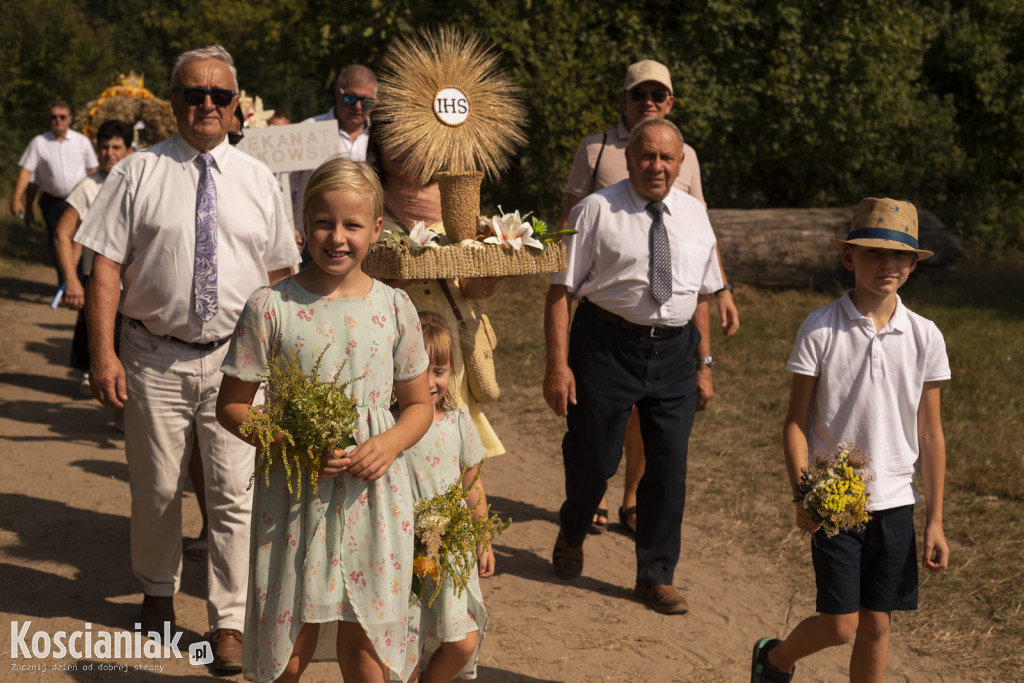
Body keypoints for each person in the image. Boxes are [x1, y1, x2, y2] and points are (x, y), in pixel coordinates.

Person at [75, 44, 299, 673]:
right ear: (173, 101)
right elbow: (105, 270)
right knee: (156, 488)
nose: (206, 104)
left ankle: (228, 622)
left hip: (239, 362)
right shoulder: (135, 174)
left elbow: (281, 276)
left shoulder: (260, 182)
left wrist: (283, 367)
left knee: (235, 494)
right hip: (152, 356)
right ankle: (156, 596)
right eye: (194, 93)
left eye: (219, 95)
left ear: (235, 107)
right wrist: (103, 354)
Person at [216, 156, 433, 683]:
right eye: (323, 222)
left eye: (353, 225)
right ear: (303, 223)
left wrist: (389, 443)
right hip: (294, 497)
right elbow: (231, 405)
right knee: (286, 649)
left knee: (366, 649)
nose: (337, 237)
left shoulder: (396, 307)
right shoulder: (271, 306)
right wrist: (290, 444)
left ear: (377, 229)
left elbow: (420, 404)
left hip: (374, 496)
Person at [751, 198, 950, 682]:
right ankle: (774, 659)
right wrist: (804, 493)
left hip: (896, 502)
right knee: (842, 625)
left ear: (912, 264)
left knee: (877, 625)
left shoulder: (925, 336)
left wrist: (936, 520)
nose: (888, 264)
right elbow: (796, 422)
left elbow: (930, 432)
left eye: (900, 256)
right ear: (848, 258)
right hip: (837, 499)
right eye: (873, 253)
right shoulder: (820, 329)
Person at [544, 118, 723, 614]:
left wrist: (704, 365)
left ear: (681, 164)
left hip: (675, 355)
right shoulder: (594, 210)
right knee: (596, 459)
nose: (656, 165)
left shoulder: (694, 215)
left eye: (667, 157)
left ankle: (655, 575)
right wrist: (558, 366)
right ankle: (573, 528)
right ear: (628, 158)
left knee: (669, 469)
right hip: (605, 346)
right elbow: (559, 292)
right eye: (647, 155)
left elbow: (701, 295)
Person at [560, 59, 738, 534]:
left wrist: (720, 289)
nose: (648, 102)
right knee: (598, 442)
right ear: (623, 99)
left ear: (671, 102)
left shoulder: (686, 155)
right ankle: (587, 500)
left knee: (662, 446)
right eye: (640, 94)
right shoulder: (596, 151)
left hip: (670, 333)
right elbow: (570, 219)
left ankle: (638, 515)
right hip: (607, 314)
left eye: (658, 95)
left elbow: (697, 233)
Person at [367, 125, 506, 459]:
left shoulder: (456, 195)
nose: (401, 148)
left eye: (410, 139)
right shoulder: (366, 198)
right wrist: (396, 281)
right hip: (389, 337)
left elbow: (470, 288)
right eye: (392, 140)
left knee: (456, 451)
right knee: (397, 445)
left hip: (449, 342)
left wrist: (489, 275)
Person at [403, 310, 492, 682]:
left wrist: (483, 538)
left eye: (438, 371)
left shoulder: (458, 422)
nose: (430, 381)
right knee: (404, 644)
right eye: (419, 371)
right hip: (402, 551)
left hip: (450, 549)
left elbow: (472, 485)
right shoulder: (388, 425)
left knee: (462, 641)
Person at [52, 119, 133, 410]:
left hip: (139, 286)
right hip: (103, 285)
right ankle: (118, 414)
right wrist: (71, 279)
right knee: (109, 353)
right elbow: (63, 233)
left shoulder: (142, 181)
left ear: (130, 150)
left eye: (116, 147)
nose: (109, 153)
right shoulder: (88, 187)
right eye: (104, 148)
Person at [11, 99, 99, 283]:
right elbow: (27, 172)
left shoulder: (82, 141)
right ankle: (66, 282)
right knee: (59, 240)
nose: (58, 120)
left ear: (69, 119)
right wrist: (17, 199)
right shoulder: (39, 143)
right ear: (48, 119)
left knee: (82, 241)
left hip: (80, 201)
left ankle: (82, 283)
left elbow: (93, 171)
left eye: (62, 116)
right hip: (52, 202)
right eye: (53, 117)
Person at [291, 65, 378, 231]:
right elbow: (284, 188)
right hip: (310, 241)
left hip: (365, 243)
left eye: (366, 101)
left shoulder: (380, 139)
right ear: (337, 92)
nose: (358, 107)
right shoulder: (309, 130)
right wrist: (289, 231)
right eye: (350, 99)